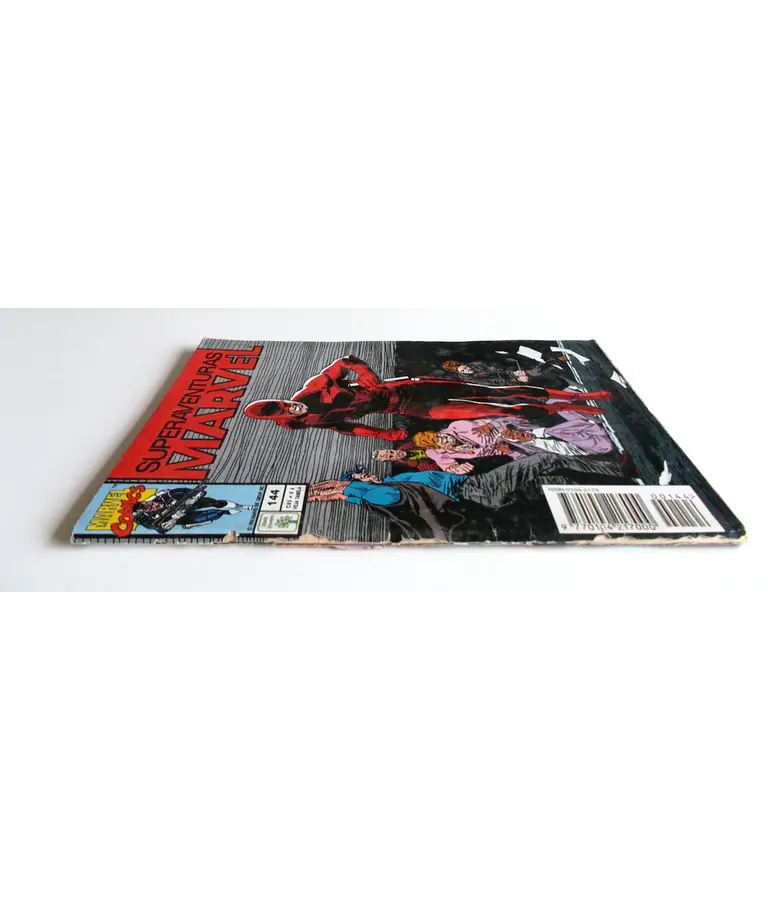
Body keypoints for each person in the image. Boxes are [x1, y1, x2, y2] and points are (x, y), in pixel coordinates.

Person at [243, 354, 611, 442]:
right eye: (280, 410)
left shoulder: (311, 389)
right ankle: (571, 407)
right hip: (414, 408)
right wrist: (383, 434)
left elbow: (345, 362)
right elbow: (346, 427)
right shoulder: (303, 422)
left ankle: (583, 396)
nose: (288, 406)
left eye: (282, 401)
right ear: (278, 417)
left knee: (498, 391)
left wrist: (368, 375)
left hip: (410, 387)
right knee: (499, 410)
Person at [414, 408, 615, 471]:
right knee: (542, 458)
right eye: (441, 441)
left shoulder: (457, 427)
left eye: (441, 435)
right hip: (512, 448)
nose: (446, 438)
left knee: (543, 436)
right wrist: (453, 467)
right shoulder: (440, 451)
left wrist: (490, 424)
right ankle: (591, 448)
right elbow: (441, 459)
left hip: (510, 430)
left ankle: (586, 431)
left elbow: (493, 421)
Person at [132, 489, 253, 532]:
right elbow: (162, 529)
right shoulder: (150, 520)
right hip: (185, 518)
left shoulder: (165, 496)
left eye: (150, 504)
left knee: (215, 503)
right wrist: (173, 520)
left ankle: (241, 506)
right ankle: (226, 512)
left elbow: (192, 491)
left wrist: (194, 497)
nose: (154, 505)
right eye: (150, 508)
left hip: (188, 504)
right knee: (214, 514)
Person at [371, 445, 439, 471]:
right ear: (392, 460)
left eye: (391, 452)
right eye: (391, 456)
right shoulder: (413, 464)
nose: (396, 453)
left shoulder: (408, 445)